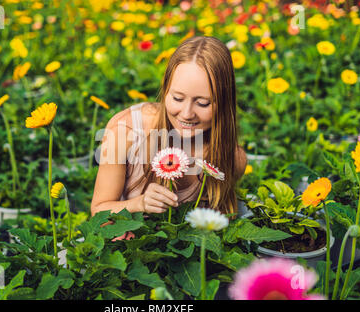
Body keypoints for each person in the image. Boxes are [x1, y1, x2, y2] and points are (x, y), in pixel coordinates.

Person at [91, 36, 247, 238]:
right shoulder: (127, 130)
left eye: (203, 103)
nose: (187, 113)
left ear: (224, 103)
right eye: (177, 98)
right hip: (124, 249)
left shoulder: (232, 159)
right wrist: (139, 204)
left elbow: (218, 227)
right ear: (165, 91)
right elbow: (99, 211)